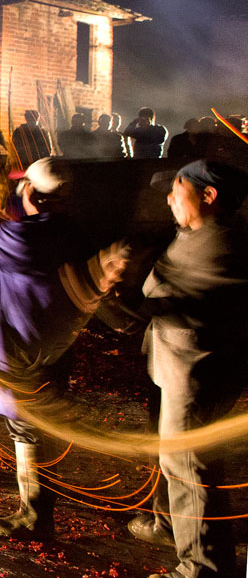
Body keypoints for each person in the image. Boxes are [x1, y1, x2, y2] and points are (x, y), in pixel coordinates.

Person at [0, 157, 127, 539]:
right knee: (36, 425)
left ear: (32, 194)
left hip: (23, 347)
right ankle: (37, 509)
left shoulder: (19, 241)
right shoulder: (67, 232)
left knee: (26, 428)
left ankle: (35, 515)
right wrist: (6, 224)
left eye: (22, 186)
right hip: (58, 344)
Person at [137, 160, 248, 578]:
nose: (169, 197)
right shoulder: (197, 234)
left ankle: (202, 567)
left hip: (197, 371)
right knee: (178, 460)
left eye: (177, 188)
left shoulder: (219, 243)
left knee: (188, 463)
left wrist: (108, 293)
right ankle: (172, 525)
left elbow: (168, 297)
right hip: (179, 365)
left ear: (209, 195)